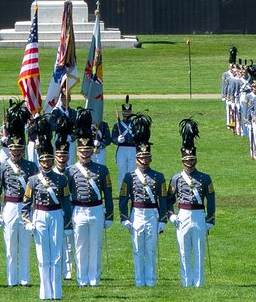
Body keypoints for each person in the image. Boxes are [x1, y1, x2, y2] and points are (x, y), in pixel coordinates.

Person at [116, 115, 167, 287]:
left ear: (150, 159)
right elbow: (123, 198)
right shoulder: (129, 177)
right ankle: (139, 280)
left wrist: (163, 219)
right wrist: (124, 218)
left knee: (151, 250)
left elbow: (163, 199)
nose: (144, 161)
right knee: (138, 249)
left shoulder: (158, 177)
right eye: (141, 158)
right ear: (137, 159)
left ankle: (151, 280)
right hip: (136, 213)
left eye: (146, 158)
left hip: (152, 213)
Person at [25, 126, 72, 301]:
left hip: (56, 215)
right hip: (39, 216)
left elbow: (66, 204)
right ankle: (45, 292)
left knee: (57, 254)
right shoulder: (33, 180)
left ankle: (57, 292)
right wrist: (27, 221)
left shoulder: (62, 179)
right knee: (42, 255)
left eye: (49, 160)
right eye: (43, 161)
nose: (46, 163)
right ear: (39, 161)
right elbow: (26, 204)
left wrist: (68, 225)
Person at [0, 106, 33, 288]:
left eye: (19, 149)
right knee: (10, 245)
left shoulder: (31, 167)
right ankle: (11, 279)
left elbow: (36, 191)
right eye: (13, 149)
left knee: (24, 245)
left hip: (25, 208)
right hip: (9, 207)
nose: (16, 152)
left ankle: (24, 279)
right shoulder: (2, 167)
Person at [171, 119, 215, 288]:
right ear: (182, 161)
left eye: (191, 160)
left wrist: (210, 219)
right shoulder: (176, 178)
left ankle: (198, 282)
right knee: (183, 250)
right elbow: (169, 198)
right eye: (186, 161)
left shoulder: (205, 178)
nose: (189, 163)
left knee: (198, 251)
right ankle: (186, 282)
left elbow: (210, 199)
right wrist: (171, 214)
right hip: (182, 214)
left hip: (198, 214)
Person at [68, 129, 111, 287]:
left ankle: (94, 279)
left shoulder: (102, 170)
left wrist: (110, 215)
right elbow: (67, 196)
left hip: (96, 210)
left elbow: (107, 193)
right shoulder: (70, 170)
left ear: (92, 151)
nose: (85, 154)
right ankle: (82, 279)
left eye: (87, 151)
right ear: (77, 152)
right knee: (80, 246)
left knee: (95, 246)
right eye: (81, 151)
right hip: (78, 210)